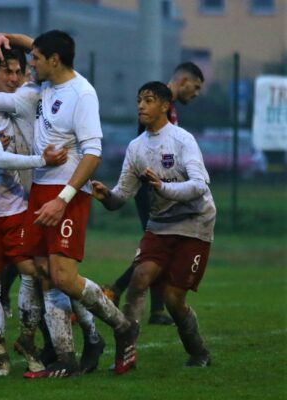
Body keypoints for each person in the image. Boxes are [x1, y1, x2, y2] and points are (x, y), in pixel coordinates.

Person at [0, 30, 138, 377]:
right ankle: (66, 357)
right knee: (45, 276)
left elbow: (93, 153)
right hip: (40, 188)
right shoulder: (45, 86)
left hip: (67, 194)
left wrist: (63, 199)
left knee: (64, 278)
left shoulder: (82, 93)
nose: (29, 64)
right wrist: (2, 37)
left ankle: (123, 325)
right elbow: (33, 43)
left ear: (54, 60)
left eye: (35, 59)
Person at [0, 46, 68, 375]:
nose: (16, 77)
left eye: (20, 71)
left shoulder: (21, 106)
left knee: (33, 271)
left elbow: (52, 59)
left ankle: (26, 339)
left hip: (16, 205)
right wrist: (41, 161)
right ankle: (0, 354)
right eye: (8, 71)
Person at [91, 81, 216, 368]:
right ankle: (126, 352)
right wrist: (106, 197)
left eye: (148, 100)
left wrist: (163, 188)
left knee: (173, 299)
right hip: (160, 224)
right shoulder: (136, 147)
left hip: (195, 223)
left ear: (164, 106)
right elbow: (122, 195)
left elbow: (199, 186)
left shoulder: (182, 140)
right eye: (139, 100)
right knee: (139, 279)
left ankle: (199, 353)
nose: (141, 106)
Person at [102, 63, 205, 326]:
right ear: (183, 81)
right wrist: (155, 186)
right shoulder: (157, 107)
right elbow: (147, 150)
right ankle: (114, 290)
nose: (196, 94)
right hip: (151, 190)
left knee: (158, 249)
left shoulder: (169, 112)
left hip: (162, 189)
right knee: (155, 249)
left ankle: (155, 310)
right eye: (195, 87)